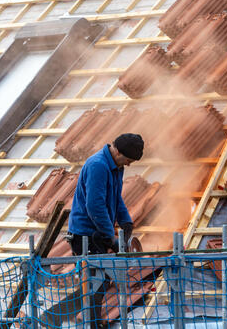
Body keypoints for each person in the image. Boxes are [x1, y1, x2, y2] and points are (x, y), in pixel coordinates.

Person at [42, 133, 144, 329]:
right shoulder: (98, 165)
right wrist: (110, 237)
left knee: (98, 283)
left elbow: (116, 197)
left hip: (96, 232)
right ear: (117, 151)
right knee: (94, 284)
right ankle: (58, 317)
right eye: (128, 160)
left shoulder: (116, 166)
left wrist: (125, 220)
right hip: (85, 235)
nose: (129, 165)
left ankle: (61, 317)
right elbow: (95, 205)